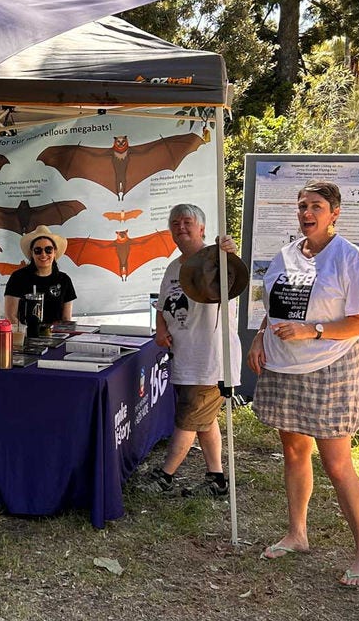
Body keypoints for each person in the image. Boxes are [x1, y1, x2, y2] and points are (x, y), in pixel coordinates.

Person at [246, 179, 359, 586]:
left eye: (316, 206)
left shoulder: (352, 259)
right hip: (284, 366)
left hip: (329, 366)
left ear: (335, 213)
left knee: (336, 464)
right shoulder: (286, 254)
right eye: (302, 206)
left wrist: (313, 330)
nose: (307, 213)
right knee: (293, 452)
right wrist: (259, 336)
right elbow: (274, 307)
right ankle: (297, 534)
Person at [139, 204, 240, 497]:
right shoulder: (174, 267)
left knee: (188, 419)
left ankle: (165, 476)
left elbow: (234, 273)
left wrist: (228, 251)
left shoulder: (216, 260)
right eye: (175, 223)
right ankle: (216, 479)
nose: (180, 227)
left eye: (187, 222)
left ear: (202, 229)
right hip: (185, 357)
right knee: (203, 420)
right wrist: (160, 329)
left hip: (210, 360)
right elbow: (162, 306)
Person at [4, 225, 76, 329]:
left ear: (55, 252)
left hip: (56, 335)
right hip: (25, 335)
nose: (43, 254)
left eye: (48, 249)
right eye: (38, 250)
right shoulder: (18, 278)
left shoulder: (64, 280)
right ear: (32, 253)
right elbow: (10, 316)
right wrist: (26, 334)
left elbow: (66, 318)